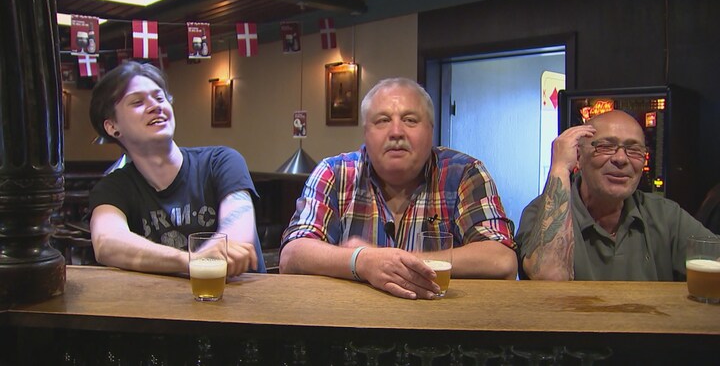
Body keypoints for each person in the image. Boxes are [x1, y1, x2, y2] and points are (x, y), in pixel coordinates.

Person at [279, 77, 517, 300]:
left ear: (431, 130)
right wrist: (361, 261)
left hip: (441, 322)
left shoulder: (464, 173)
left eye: (410, 120)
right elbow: (292, 256)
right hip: (352, 320)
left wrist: (395, 263)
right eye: (382, 120)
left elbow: (502, 261)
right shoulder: (334, 172)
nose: (396, 132)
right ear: (365, 132)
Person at [87, 61, 265, 276]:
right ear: (112, 127)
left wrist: (199, 259)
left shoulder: (221, 161)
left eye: (160, 98)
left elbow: (236, 243)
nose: (155, 106)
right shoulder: (113, 188)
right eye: (137, 102)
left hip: (243, 295)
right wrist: (190, 260)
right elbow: (107, 243)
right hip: (166, 298)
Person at [515, 110, 714, 281]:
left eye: (634, 150)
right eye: (605, 147)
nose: (620, 158)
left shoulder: (665, 215)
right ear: (578, 157)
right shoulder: (542, 212)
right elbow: (550, 276)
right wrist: (559, 167)